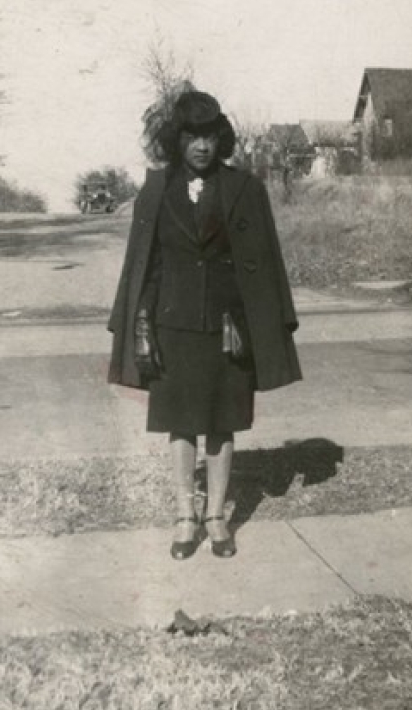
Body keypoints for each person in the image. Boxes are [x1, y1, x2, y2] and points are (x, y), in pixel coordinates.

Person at [108, 90, 302, 560]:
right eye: (192, 137)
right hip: (173, 324)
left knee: (222, 421)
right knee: (180, 423)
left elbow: (264, 261)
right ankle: (184, 515)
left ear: (221, 140)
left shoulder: (244, 189)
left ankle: (216, 517)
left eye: (210, 137)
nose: (201, 147)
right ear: (178, 140)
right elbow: (144, 264)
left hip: (227, 325)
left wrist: (258, 319)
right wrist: (140, 321)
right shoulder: (155, 190)